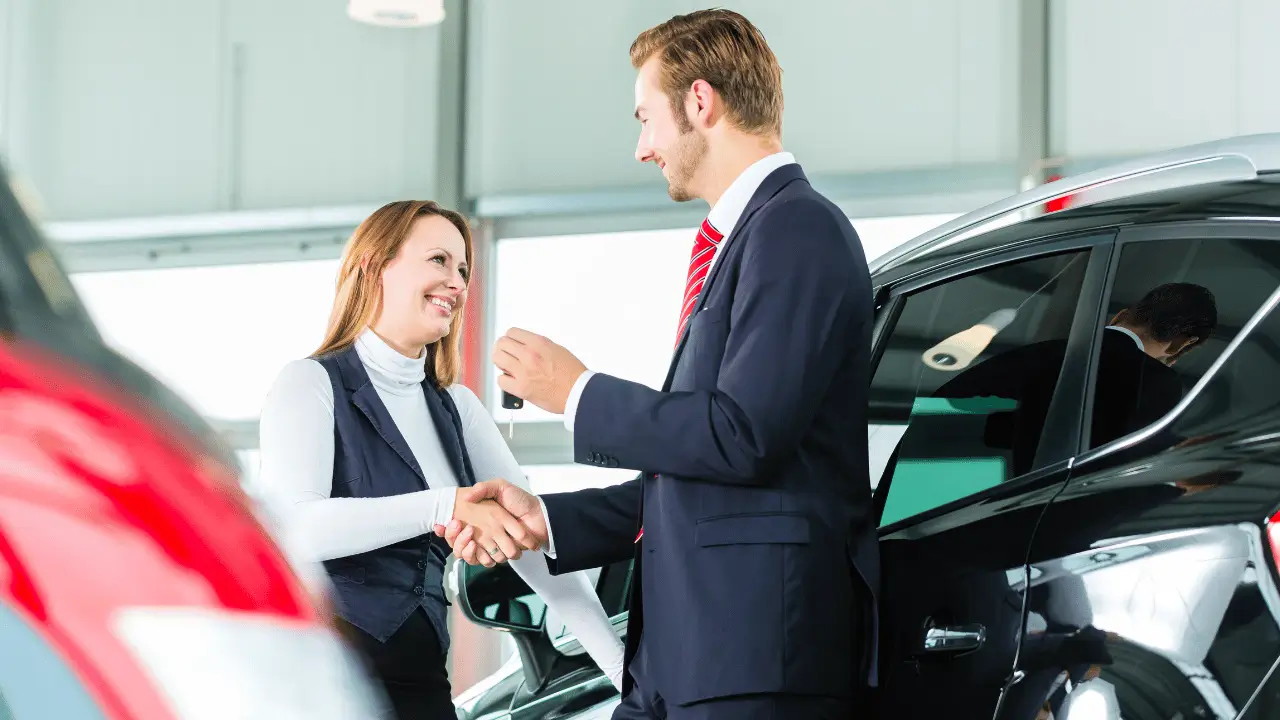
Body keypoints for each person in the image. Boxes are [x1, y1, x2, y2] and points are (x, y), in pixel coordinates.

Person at [437, 10, 878, 719]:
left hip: (754, 658)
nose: (642, 147)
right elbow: (699, 477)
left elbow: (742, 436)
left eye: (646, 118)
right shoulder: (747, 240)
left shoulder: (798, 228)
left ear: (700, 102)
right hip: (689, 662)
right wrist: (546, 519)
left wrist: (575, 391)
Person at [256, 200, 625, 719]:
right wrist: (445, 504)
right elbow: (296, 528)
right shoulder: (310, 383)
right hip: (326, 687)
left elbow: (532, 545)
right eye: (438, 260)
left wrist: (626, 676)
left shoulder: (457, 408)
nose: (456, 281)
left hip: (422, 688)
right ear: (373, 265)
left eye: (464, 269)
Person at [935, 282, 1218, 476]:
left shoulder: (1034, 353)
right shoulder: (1158, 383)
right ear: (1182, 344)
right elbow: (1131, 466)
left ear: (1119, 316)